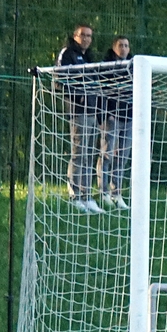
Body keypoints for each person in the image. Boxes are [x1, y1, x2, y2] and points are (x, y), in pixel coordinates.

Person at [56, 23, 103, 214]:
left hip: (92, 110)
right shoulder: (68, 53)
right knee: (79, 152)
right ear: (75, 36)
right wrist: (78, 96)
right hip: (78, 110)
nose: (86, 39)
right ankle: (75, 194)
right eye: (83, 35)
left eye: (89, 36)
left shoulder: (89, 57)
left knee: (89, 154)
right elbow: (59, 80)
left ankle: (87, 195)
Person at [97, 36, 133, 211]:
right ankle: (103, 192)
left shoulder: (133, 67)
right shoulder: (107, 65)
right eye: (121, 45)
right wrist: (106, 114)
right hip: (111, 117)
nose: (124, 48)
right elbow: (102, 92)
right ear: (114, 47)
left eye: (126, 46)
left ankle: (116, 193)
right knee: (106, 154)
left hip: (128, 117)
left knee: (122, 157)